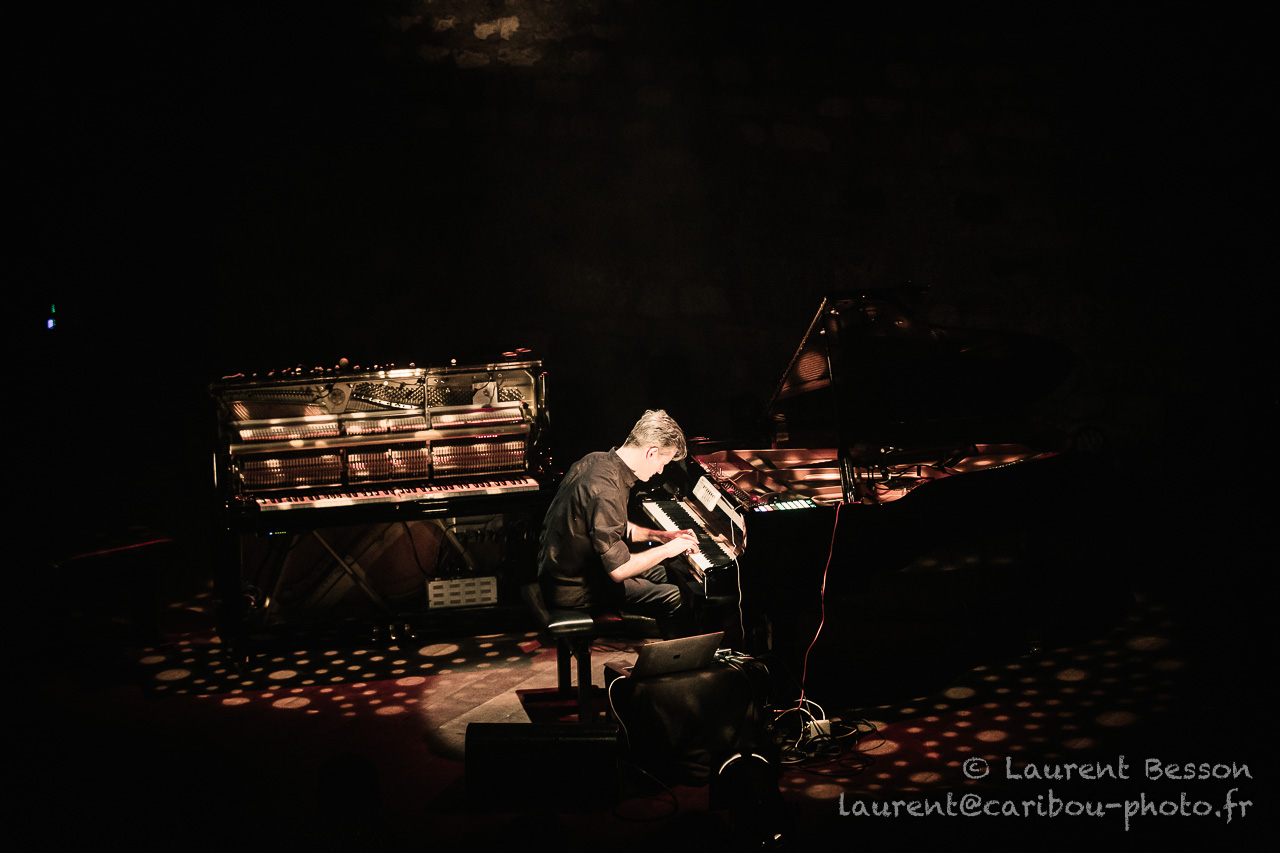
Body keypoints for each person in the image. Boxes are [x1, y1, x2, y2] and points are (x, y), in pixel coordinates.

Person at [538, 409, 700, 638]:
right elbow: (618, 570)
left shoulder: (597, 460)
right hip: (573, 587)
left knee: (671, 573)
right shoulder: (607, 490)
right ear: (651, 452)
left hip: (563, 570)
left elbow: (613, 525)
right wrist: (669, 549)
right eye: (663, 463)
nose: (660, 470)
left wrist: (661, 537)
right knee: (675, 596)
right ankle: (678, 659)